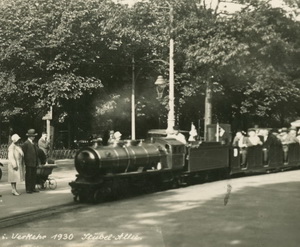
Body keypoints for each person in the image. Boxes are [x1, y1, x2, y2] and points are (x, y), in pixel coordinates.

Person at [22, 129, 40, 194]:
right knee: (29, 176)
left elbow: (36, 152)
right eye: (33, 136)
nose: (34, 137)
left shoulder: (33, 143)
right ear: (30, 136)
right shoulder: (26, 143)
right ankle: (28, 189)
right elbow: (23, 153)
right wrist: (25, 161)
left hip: (34, 162)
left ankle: (33, 188)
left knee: (33, 175)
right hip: (29, 162)